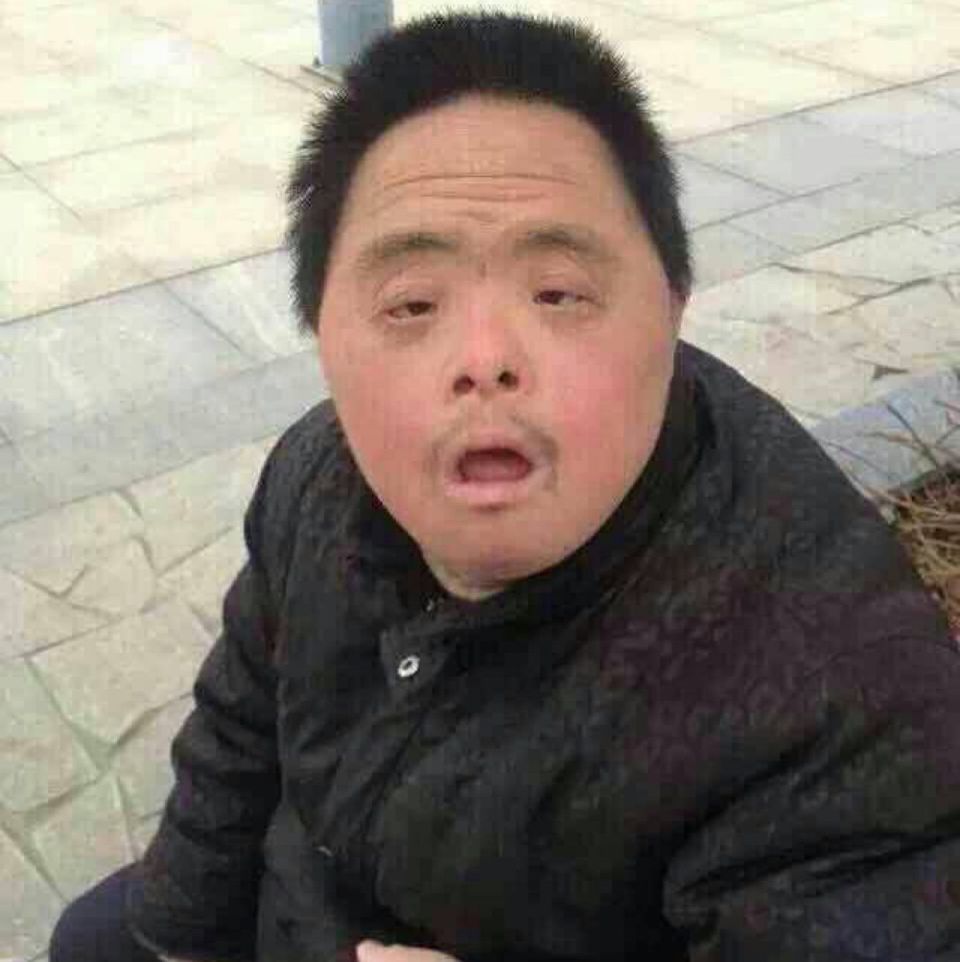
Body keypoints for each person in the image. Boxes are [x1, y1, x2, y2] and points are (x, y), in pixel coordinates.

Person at [50, 10, 960, 962]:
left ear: (672, 309)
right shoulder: (317, 473)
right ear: (322, 334)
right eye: (412, 304)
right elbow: (240, 718)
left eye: (557, 292)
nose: (484, 358)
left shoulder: (838, 696)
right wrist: (179, 940)